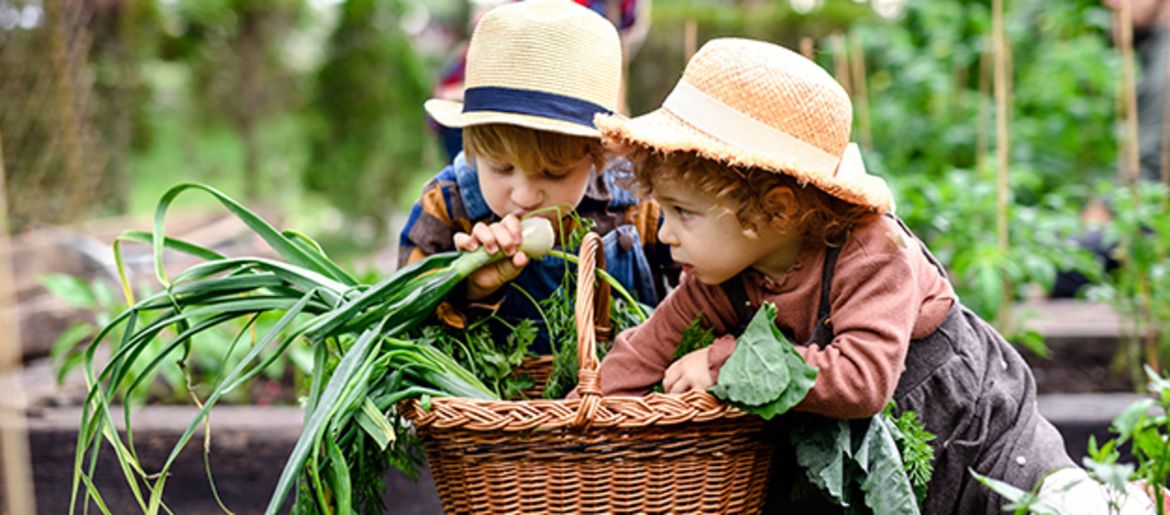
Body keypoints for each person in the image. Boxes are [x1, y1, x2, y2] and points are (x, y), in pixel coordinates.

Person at [589, 38, 1160, 514]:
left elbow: (861, 381)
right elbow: (643, 353)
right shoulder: (714, 277)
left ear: (778, 210)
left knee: (1049, 504)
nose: (664, 233)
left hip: (969, 429)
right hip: (870, 456)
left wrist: (724, 363)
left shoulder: (872, 251)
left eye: (684, 213)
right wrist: (583, 423)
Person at [399, 0, 676, 354]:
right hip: (497, 410)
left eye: (554, 173)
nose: (526, 196)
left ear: (597, 156)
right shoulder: (447, 207)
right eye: (501, 168)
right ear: (471, 150)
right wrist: (470, 288)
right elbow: (406, 324)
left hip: (623, 405)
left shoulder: (637, 200)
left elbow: (702, 291)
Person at [429, 0, 651, 161]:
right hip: (490, 100)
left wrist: (613, 118)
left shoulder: (614, 9)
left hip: (568, 107)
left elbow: (617, 51)